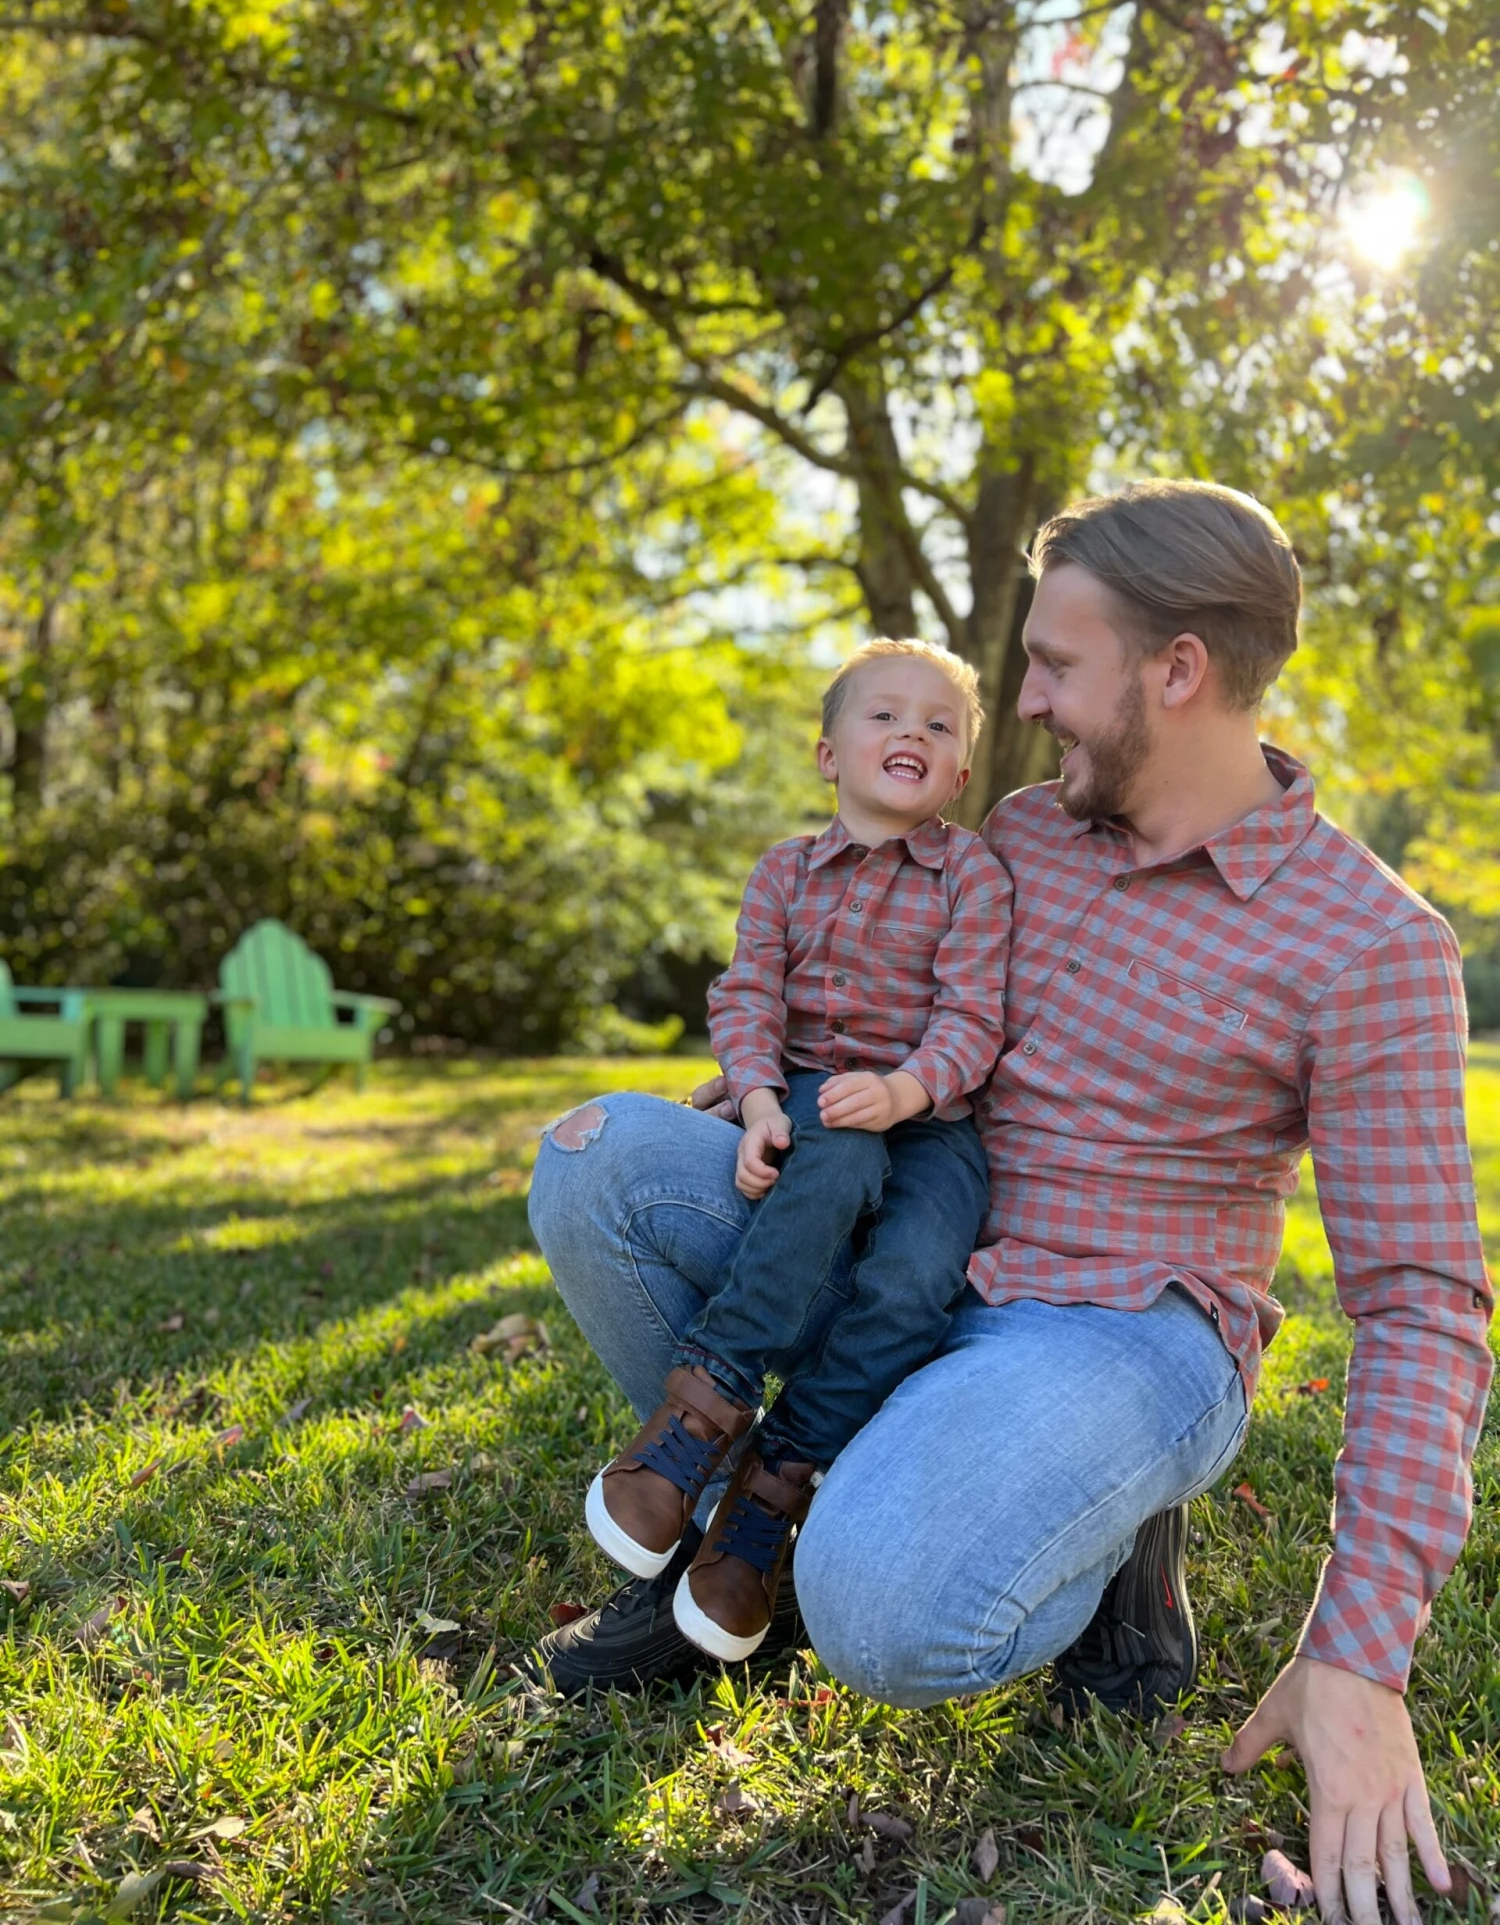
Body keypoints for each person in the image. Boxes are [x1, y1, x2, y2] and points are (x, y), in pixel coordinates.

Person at [527, 480, 1492, 1925]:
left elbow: (1424, 1307)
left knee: (887, 1609)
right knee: (596, 1164)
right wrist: (757, 1093)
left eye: (1054, 664)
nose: (1024, 700)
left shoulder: (1371, 946)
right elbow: (870, 989)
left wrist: (1361, 1651)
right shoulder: (1024, 840)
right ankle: (749, 1540)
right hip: (915, 1246)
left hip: (1119, 1331)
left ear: (1177, 672)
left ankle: (1097, 1551)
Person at [583, 640, 1007, 1661]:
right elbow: (748, 993)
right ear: (829, 752)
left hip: (937, 1115)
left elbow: (973, 1013)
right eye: (885, 716)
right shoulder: (785, 870)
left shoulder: (973, 874)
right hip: (812, 1090)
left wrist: (908, 1085)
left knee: (915, 1275)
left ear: (957, 774)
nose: (912, 732)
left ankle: (776, 1479)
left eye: (939, 725)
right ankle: (701, 1406)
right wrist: (763, 1095)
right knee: (837, 1161)